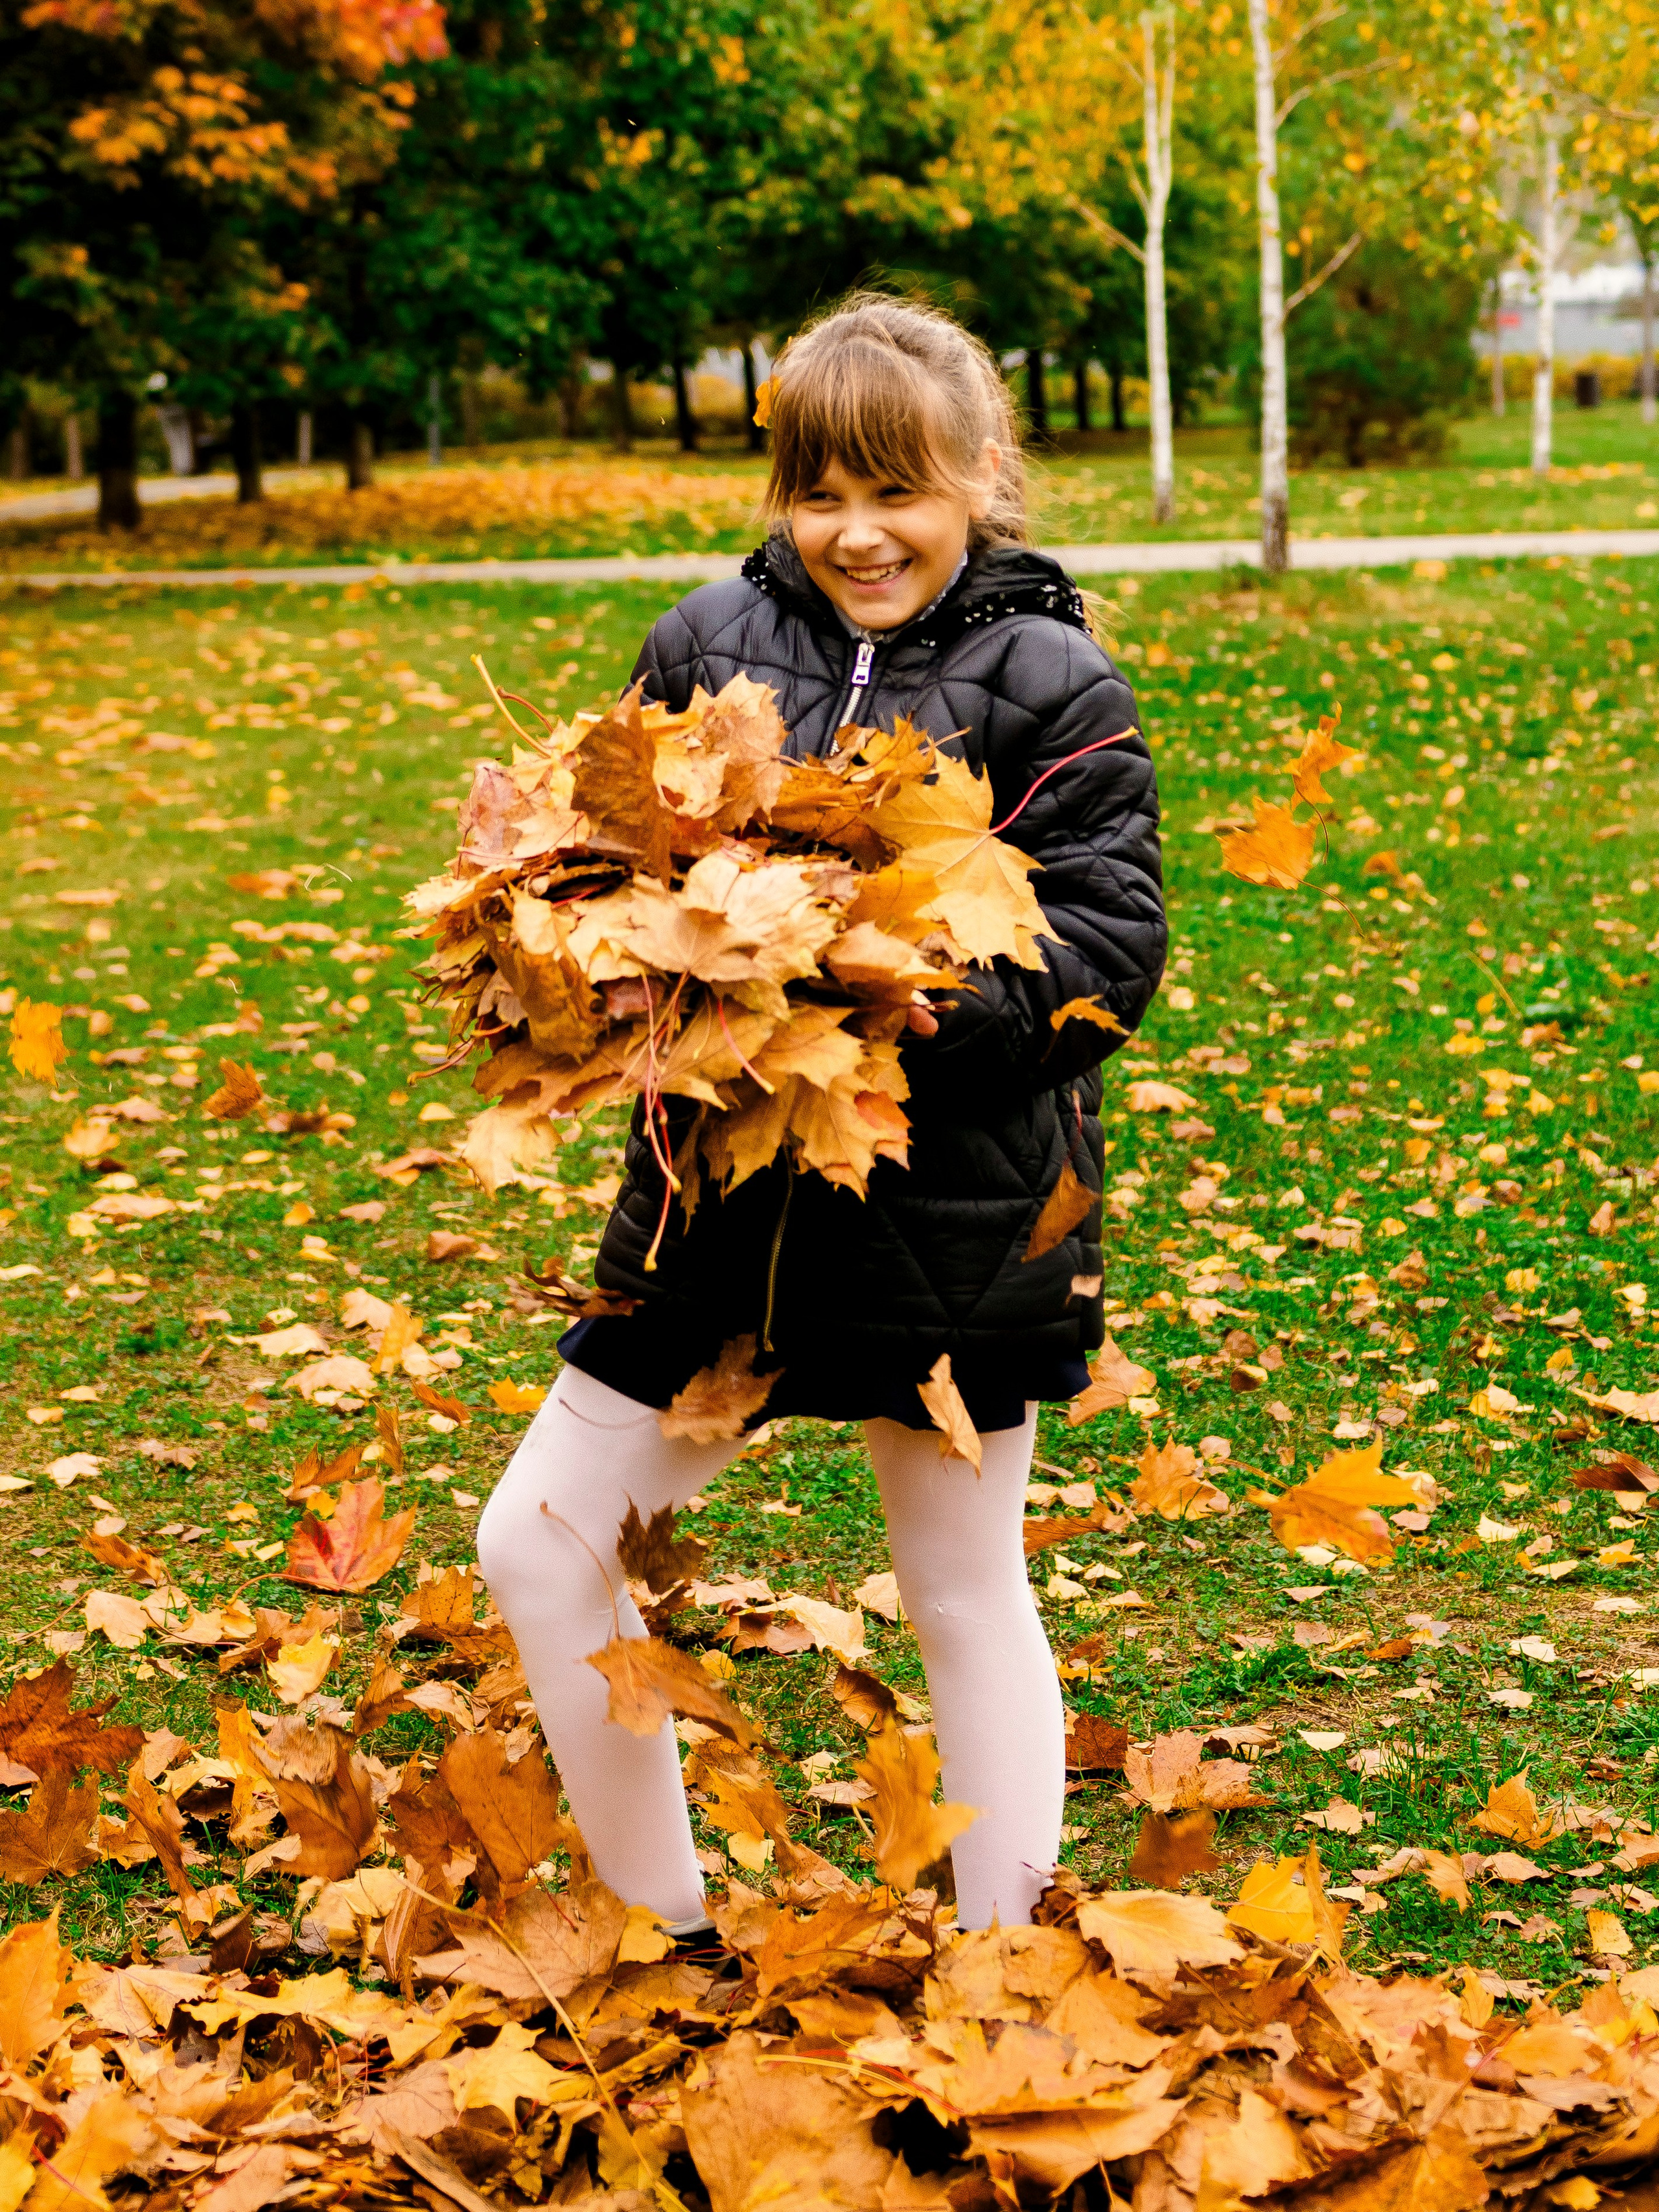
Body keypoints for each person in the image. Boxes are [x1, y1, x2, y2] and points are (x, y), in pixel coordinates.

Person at [476, 293, 1166, 1935]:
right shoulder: (700, 643)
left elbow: (1107, 945)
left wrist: (935, 1005)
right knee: (538, 1544)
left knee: (956, 1586)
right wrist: (572, 933)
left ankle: (1009, 1966)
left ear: (978, 475)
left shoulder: (1053, 678)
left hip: (955, 1215)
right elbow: (615, 857)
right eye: (818, 491)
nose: (857, 534)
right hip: (716, 1213)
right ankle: (667, 1936)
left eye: (897, 490)